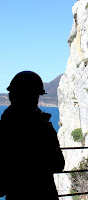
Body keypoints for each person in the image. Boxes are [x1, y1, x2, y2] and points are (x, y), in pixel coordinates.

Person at [0, 71, 65, 200]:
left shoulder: (4, 128)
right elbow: (58, 164)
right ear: (34, 97)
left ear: (11, 96)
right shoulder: (44, 128)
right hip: (44, 193)